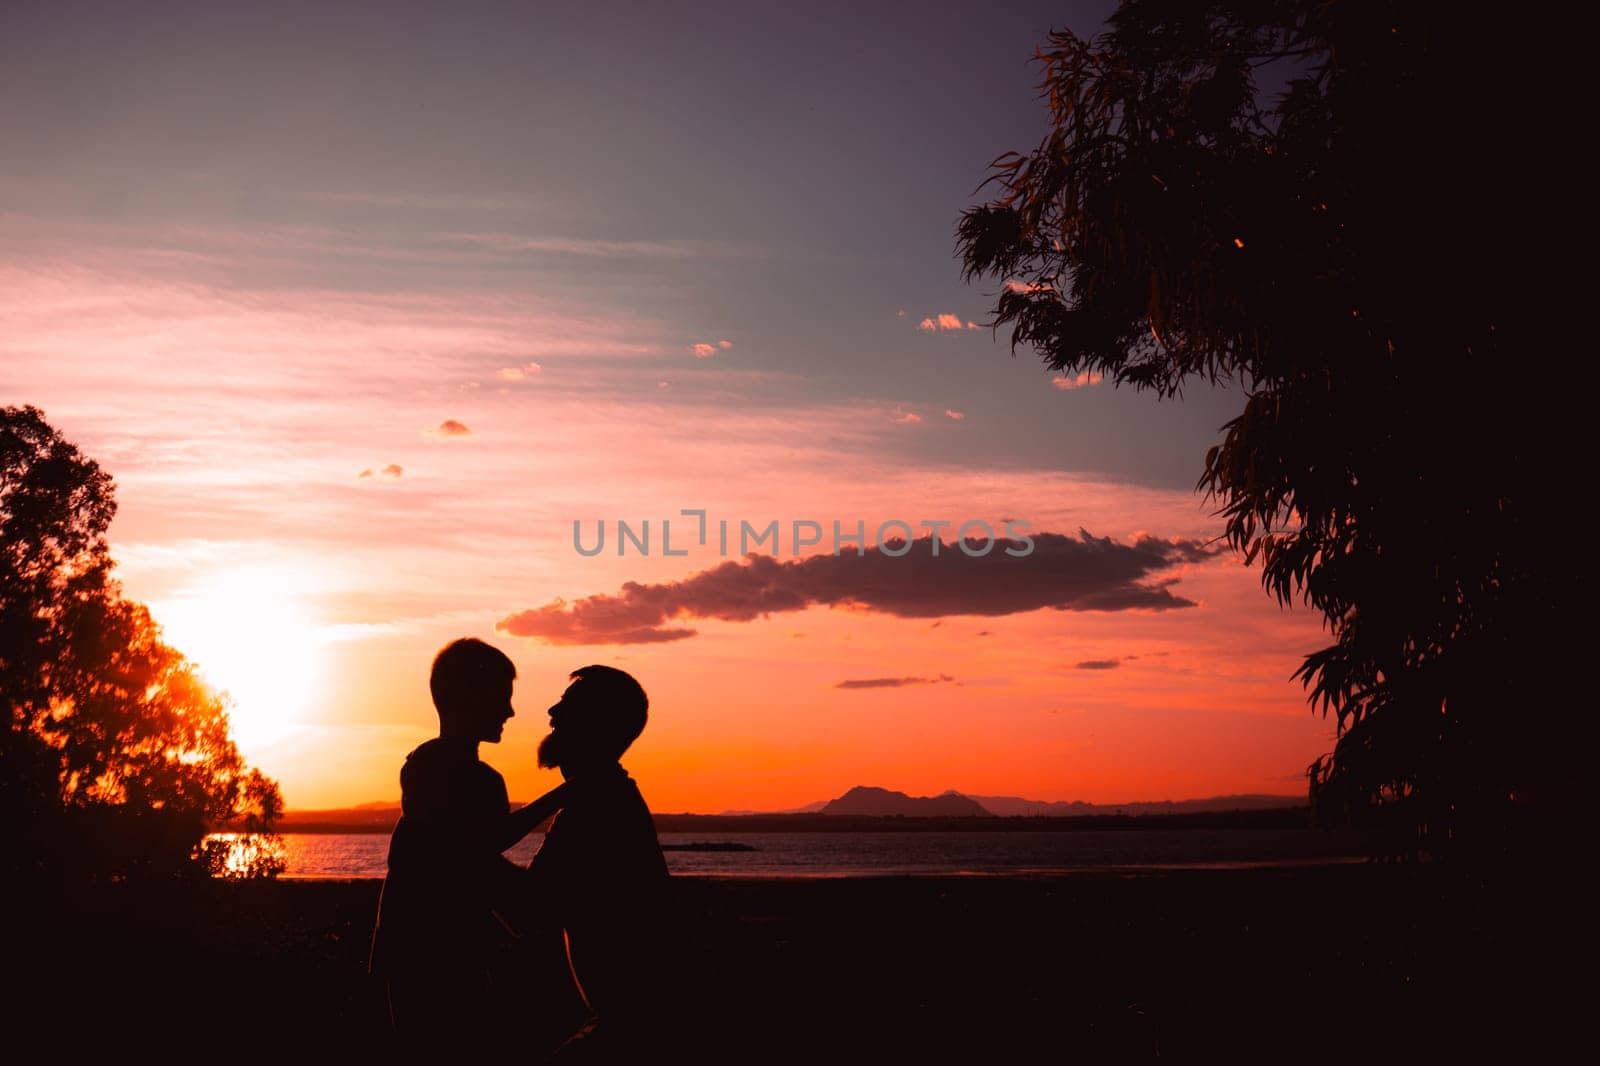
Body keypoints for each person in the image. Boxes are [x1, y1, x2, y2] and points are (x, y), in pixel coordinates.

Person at [368, 637, 569, 1050]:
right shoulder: (451, 774)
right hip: (432, 955)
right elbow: (479, 848)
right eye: (502, 698)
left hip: (428, 949)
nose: (510, 712)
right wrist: (562, 796)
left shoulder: (431, 768)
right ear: (467, 697)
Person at [523, 664, 671, 1058]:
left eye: (567, 707)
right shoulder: (600, 793)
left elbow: (526, 912)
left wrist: (458, 855)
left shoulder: (598, 804)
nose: (551, 712)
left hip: (625, 1028)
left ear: (596, 725)